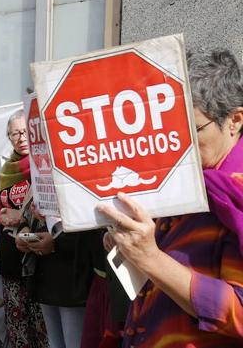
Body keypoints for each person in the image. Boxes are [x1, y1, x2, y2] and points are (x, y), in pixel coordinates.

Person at [97, 49, 243, 347]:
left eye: (192, 129)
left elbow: (239, 314)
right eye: (170, 129)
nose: (178, 143)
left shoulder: (234, 194)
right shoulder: (184, 182)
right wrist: (129, 248)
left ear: (235, 120)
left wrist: (150, 257)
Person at [0, 110, 48, 348]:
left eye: (25, 132)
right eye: (15, 133)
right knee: (16, 322)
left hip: (40, 254)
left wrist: (21, 217)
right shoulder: (7, 169)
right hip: (11, 256)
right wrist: (3, 216)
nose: (21, 137)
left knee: (42, 323)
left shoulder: (44, 163)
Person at [16, 212, 94, 346]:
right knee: (55, 342)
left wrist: (57, 243)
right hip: (45, 277)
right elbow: (27, 213)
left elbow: (92, 229)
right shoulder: (34, 190)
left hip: (73, 281)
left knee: (73, 341)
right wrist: (24, 231)